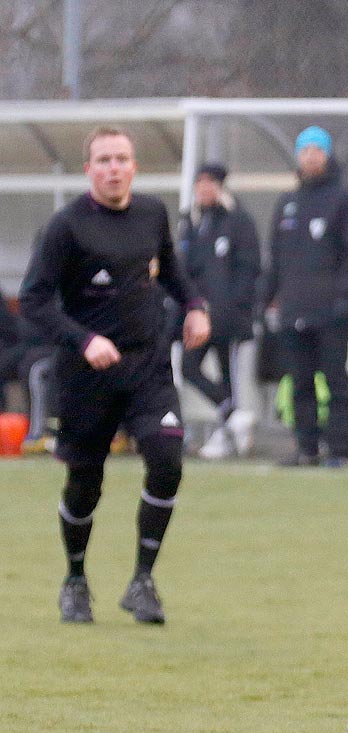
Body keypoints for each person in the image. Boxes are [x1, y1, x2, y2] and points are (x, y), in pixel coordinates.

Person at [19, 125, 211, 625]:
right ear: (89, 170)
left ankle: (142, 581)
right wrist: (84, 340)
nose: (113, 168)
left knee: (167, 457)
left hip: (147, 366)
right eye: (103, 160)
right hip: (86, 377)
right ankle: (75, 580)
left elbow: (169, 268)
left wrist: (194, 305)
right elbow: (35, 300)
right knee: (85, 484)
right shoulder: (66, 227)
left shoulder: (152, 214)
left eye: (121, 158)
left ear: (134, 166)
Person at [260, 125, 348, 468]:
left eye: (316, 150)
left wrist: (345, 298)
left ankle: (337, 450)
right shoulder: (287, 203)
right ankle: (306, 448)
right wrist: (266, 300)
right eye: (304, 150)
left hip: (332, 311)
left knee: (335, 380)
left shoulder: (344, 200)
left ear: (327, 154)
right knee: (300, 382)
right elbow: (275, 258)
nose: (310, 157)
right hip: (294, 309)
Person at [177, 162, 262, 459]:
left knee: (230, 375)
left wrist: (237, 305)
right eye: (199, 182)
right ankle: (233, 414)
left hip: (229, 317)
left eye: (210, 182)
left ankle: (227, 435)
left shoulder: (238, 221)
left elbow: (249, 268)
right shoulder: (190, 222)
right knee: (189, 368)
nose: (204, 188)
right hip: (197, 316)